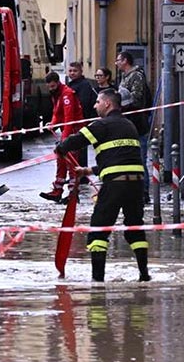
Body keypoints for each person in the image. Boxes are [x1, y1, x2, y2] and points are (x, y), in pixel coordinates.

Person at [56, 89, 150, 282]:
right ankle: (144, 274)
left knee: (98, 230)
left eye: (98, 102)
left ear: (107, 104)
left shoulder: (101, 125)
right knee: (135, 228)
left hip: (114, 185)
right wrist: (89, 170)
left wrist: (60, 148)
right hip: (136, 185)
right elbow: (120, 158)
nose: (94, 105)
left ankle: (97, 281)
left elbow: (76, 141)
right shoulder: (129, 125)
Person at [40, 71, 85, 203]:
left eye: (53, 86)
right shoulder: (57, 94)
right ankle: (57, 190)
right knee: (61, 159)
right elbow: (57, 112)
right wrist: (53, 124)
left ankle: (73, 193)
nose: (51, 89)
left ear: (58, 83)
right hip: (67, 130)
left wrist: (65, 140)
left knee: (71, 162)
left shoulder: (67, 94)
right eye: (49, 87)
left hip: (74, 131)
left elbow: (69, 118)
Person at [115, 51, 153, 154]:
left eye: (118, 60)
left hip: (137, 121)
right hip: (127, 120)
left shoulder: (136, 76)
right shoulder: (124, 76)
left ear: (125, 61)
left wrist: (122, 103)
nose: (116, 63)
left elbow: (137, 98)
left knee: (140, 155)